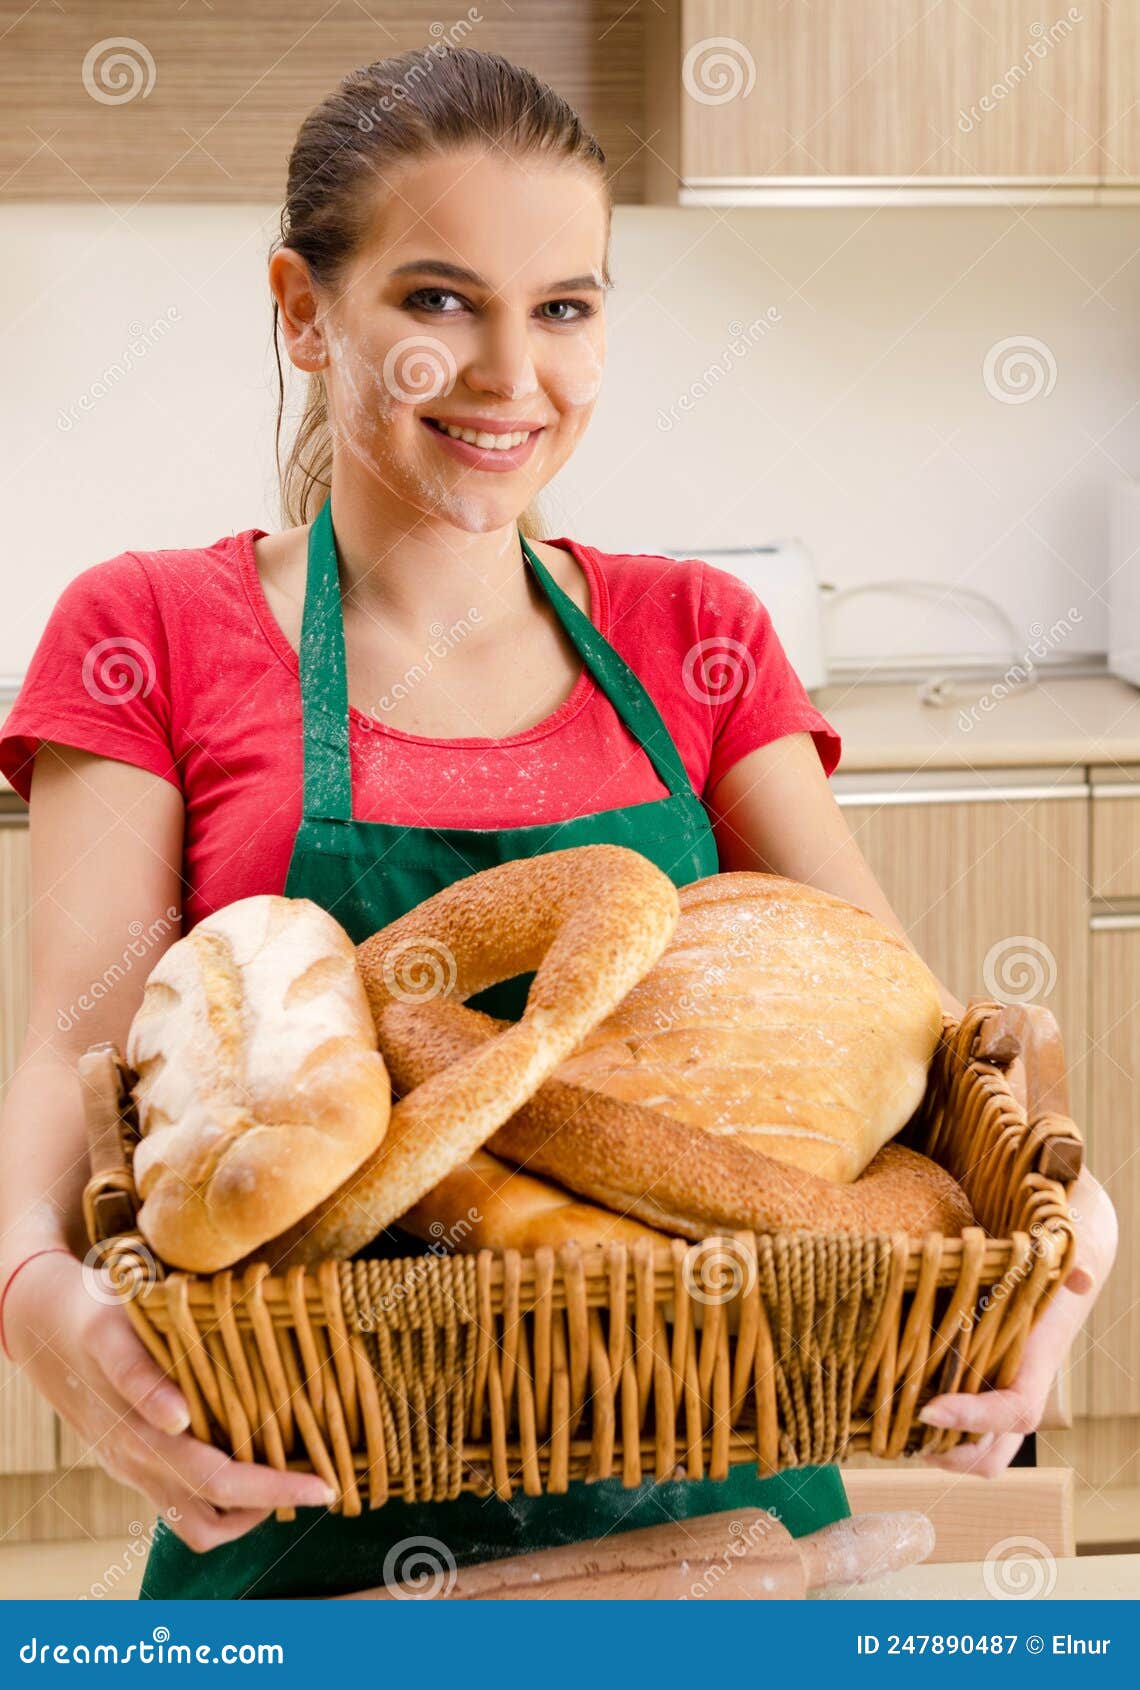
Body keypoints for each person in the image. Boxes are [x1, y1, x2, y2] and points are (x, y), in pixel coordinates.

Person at [0, 47, 1115, 1600]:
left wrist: (1076, 1233)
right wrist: (37, 1292)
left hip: (721, 1508)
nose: (513, 374)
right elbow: (79, 1056)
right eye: (439, 301)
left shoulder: (694, 632)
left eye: (567, 308)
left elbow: (921, 1047)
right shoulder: (152, 629)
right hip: (306, 1509)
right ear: (307, 311)